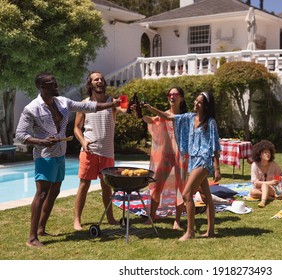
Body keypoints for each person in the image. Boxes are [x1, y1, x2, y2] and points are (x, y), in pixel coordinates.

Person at [16, 72, 119, 247]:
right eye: (51, 83)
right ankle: (32, 237)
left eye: (55, 82)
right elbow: (20, 134)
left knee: (54, 192)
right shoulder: (32, 108)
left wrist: (112, 104)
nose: (56, 85)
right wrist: (41, 141)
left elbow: (89, 107)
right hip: (45, 156)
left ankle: (41, 229)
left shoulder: (63, 102)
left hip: (60, 154)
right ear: (42, 87)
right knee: (41, 194)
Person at [143, 91, 221, 241]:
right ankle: (210, 231)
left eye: (199, 102)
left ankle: (190, 231)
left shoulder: (210, 122)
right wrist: (150, 108)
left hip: (203, 161)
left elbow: (215, 145)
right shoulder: (190, 118)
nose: (196, 104)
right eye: (196, 101)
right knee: (206, 197)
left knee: (186, 194)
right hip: (193, 160)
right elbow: (169, 117)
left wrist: (217, 168)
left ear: (206, 106)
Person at [73, 71, 124, 231]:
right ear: (90, 84)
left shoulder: (113, 102)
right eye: (96, 79)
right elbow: (76, 128)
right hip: (89, 151)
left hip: (107, 151)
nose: (100, 81)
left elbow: (126, 110)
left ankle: (110, 218)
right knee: (84, 185)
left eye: (102, 79)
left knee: (106, 186)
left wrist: (129, 105)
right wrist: (83, 141)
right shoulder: (84, 104)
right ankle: (77, 220)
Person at [142, 87, 188, 230]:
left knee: (181, 187)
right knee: (156, 185)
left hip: (182, 156)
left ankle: (177, 221)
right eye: (170, 94)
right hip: (166, 155)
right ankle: (151, 217)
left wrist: (150, 108)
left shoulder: (186, 116)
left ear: (181, 98)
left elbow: (165, 117)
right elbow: (151, 120)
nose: (172, 96)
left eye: (175, 94)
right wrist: (139, 114)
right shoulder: (163, 114)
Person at [249, 140, 282, 208]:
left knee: (264, 185)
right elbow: (254, 182)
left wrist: (277, 179)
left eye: (269, 152)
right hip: (259, 189)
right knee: (252, 192)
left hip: (271, 189)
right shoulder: (254, 165)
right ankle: (271, 198)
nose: (268, 154)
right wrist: (270, 182)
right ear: (260, 154)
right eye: (265, 152)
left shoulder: (273, 164)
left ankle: (263, 201)